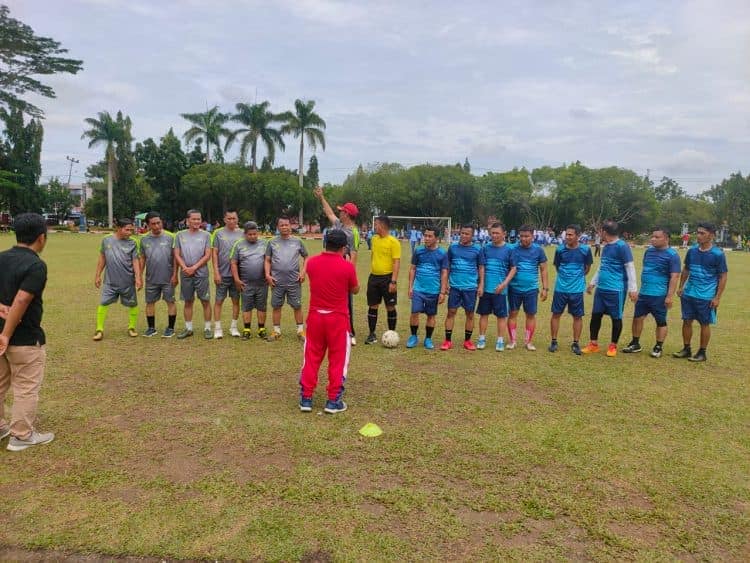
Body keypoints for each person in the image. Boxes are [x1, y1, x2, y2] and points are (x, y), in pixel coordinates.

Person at [0, 213, 55, 451]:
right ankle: (21, 435)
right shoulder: (35, 265)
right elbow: (22, 300)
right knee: (26, 386)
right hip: (22, 338)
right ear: (41, 238)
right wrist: (7, 334)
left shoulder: (1, 258)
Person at [298, 229, 359, 414]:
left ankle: (306, 398)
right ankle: (333, 401)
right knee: (338, 359)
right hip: (337, 319)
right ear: (343, 247)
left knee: (311, 357)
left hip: (316, 317)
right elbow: (355, 289)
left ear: (325, 243)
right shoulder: (347, 266)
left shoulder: (313, 263)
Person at [673, 222, 728, 362]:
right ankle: (686, 349)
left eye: (702, 233)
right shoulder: (692, 250)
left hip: (706, 295)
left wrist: (717, 297)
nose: (698, 235)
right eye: (697, 232)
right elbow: (686, 269)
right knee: (686, 321)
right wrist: (681, 287)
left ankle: (702, 352)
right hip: (689, 293)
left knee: (704, 323)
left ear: (711, 235)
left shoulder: (717, 254)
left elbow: (723, 276)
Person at [622, 227, 681, 358]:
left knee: (660, 321)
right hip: (644, 293)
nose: (652, 239)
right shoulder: (648, 252)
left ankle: (658, 346)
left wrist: (669, 296)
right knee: (637, 318)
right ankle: (635, 343)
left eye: (656, 237)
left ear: (666, 238)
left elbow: (674, 276)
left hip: (659, 295)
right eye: (652, 236)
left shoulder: (672, 255)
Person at [582, 220, 638, 357]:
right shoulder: (605, 246)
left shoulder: (622, 246)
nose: (600, 234)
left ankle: (613, 346)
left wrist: (633, 289)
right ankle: (593, 344)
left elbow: (630, 267)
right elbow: (603, 266)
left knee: (616, 317)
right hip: (601, 289)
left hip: (616, 290)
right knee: (596, 316)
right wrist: (593, 283)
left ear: (604, 232)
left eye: (600, 231)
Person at [314, 186, 360, 345]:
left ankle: (350, 333)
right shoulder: (339, 224)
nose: (339, 212)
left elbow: (353, 254)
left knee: (346, 302)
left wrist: (349, 276)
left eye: (342, 211)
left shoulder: (353, 232)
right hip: (328, 266)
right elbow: (329, 213)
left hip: (341, 269)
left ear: (347, 214)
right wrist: (321, 197)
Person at [93, 218, 142, 341]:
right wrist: (97, 275)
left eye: (131, 229)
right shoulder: (106, 240)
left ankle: (131, 328)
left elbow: (135, 261)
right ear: (119, 228)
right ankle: (99, 330)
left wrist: (138, 277)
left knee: (133, 304)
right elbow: (102, 258)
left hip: (127, 281)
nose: (130, 232)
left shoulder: (133, 242)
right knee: (103, 303)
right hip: (110, 282)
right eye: (127, 229)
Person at [549, 224, 593, 355]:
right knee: (556, 314)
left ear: (578, 236)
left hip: (577, 290)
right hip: (560, 289)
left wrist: (576, 279)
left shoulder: (585, 250)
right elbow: (557, 267)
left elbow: (587, 268)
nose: (567, 237)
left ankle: (576, 343)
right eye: (566, 234)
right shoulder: (559, 250)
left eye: (570, 234)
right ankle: (554, 341)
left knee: (577, 316)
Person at [440, 225, 485, 351]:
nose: (464, 236)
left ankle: (467, 341)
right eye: (462, 233)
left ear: (472, 236)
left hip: (470, 287)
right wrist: (446, 283)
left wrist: (481, 285)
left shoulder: (477, 249)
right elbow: (447, 267)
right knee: (451, 312)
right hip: (455, 287)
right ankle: (447, 341)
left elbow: (481, 268)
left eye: (467, 234)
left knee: (470, 314)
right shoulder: (453, 248)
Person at [264, 216, 308, 341]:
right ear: (278, 227)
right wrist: (267, 275)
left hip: (294, 281)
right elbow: (267, 260)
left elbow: (306, 257)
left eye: (286, 225)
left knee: (297, 306)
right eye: (281, 225)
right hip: (276, 281)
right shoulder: (272, 242)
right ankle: (276, 331)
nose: (284, 227)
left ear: (290, 226)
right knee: (276, 306)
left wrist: (303, 272)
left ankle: (300, 331)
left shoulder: (298, 241)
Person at [476, 222, 517, 351]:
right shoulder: (485, 248)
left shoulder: (510, 249)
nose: (494, 235)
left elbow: (514, 268)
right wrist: (481, 285)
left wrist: (504, 284)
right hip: (486, 288)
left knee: (501, 316)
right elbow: (481, 267)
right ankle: (481, 338)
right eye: (492, 233)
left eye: (497, 233)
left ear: (504, 234)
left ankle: (500, 340)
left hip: (501, 290)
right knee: (484, 314)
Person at [407, 225, 448, 350]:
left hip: (433, 290)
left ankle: (428, 338)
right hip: (418, 288)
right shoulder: (418, 251)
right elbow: (413, 269)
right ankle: (413, 336)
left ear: (436, 238)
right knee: (414, 312)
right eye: (425, 235)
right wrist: (410, 287)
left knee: (431, 315)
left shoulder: (442, 253)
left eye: (430, 236)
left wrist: (442, 292)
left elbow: (444, 272)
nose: (426, 238)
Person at [508, 225, 549, 351]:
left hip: (531, 289)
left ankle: (528, 341)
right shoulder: (513, 249)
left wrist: (545, 288)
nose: (524, 239)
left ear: (533, 236)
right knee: (513, 314)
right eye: (522, 236)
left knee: (530, 315)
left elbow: (543, 269)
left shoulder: (538, 250)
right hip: (514, 288)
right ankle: (512, 341)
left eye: (527, 236)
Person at [174, 209, 213, 339]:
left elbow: (208, 255)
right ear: (187, 221)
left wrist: (194, 267)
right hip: (186, 273)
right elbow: (176, 254)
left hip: (201, 273)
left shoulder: (206, 235)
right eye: (194, 219)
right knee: (188, 301)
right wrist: (185, 267)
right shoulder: (180, 235)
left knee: (205, 301)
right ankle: (188, 328)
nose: (196, 221)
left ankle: (207, 328)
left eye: (199, 219)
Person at [139, 212, 178, 338]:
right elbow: (143, 258)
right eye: (153, 224)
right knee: (150, 303)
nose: (156, 226)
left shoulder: (171, 237)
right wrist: (138, 275)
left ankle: (171, 328)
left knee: (170, 302)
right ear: (148, 225)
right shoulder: (144, 239)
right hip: (151, 278)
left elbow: (175, 259)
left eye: (158, 223)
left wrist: (175, 275)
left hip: (168, 278)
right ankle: (151, 328)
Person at [365, 215, 401, 344]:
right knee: (372, 305)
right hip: (374, 277)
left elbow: (396, 262)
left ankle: (392, 333)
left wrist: (393, 281)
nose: (374, 227)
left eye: (376, 224)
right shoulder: (374, 239)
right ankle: (371, 334)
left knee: (390, 306)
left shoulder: (394, 242)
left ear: (382, 225)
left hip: (387, 278)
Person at [230, 221, 269, 340]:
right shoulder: (238, 245)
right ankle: (246, 330)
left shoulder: (265, 243)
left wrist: (268, 275)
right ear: (245, 234)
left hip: (262, 282)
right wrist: (236, 279)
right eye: (250, 234)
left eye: (255, 234)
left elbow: (269, 260)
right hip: (245, 283)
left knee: (262, 306)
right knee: (246, 306)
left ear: (258, 233)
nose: (253, 236)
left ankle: (261, 329)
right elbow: (233, 263)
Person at [211, 209, 244, 339]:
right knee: (219, 301)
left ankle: (233, 327)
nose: (231, 221)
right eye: (229, 218)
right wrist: (216, 272)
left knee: (236, 301)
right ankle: (218, 328)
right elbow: (214, 253)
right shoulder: (218, 233)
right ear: (224, 219)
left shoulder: (242, 233)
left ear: (237, 219)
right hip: (222, 274)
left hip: (237, 275)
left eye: (234, 218)